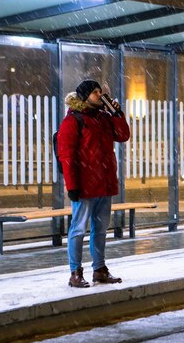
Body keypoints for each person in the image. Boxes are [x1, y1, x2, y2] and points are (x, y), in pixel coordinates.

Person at [57, 79, 130, 288]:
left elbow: (123, 135)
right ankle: (75, 272)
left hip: (103, 185)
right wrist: (72, 187)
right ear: (85, 96)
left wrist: (117, 114)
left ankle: (99, 269)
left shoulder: (104, 118)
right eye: (96, 92)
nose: (100, 95)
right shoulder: (73, 120)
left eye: (101, 91)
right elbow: (67, 156)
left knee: (100, 229)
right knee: (78, 229)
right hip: (84, 187)